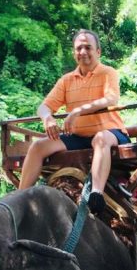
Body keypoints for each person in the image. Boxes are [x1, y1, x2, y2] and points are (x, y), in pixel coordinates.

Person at [18, 30, 130, 215]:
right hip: (78, 136)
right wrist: (47, 118)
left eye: (88, 47)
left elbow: (111, 99)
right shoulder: (67, 80)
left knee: (100, 139)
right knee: (38, 146)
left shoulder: (108, 73)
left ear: (98, 52)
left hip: (111, 133)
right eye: (79, 48)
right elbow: (44, 106)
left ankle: (96, 194)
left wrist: (78, 110)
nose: (83, 51)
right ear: (74, 53)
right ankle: (20, 198)